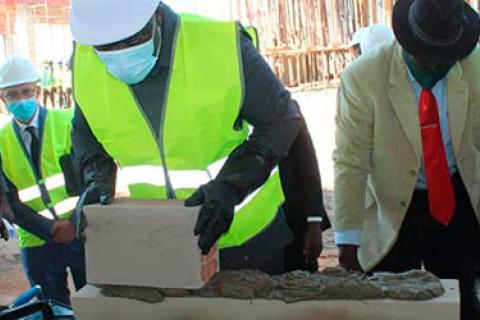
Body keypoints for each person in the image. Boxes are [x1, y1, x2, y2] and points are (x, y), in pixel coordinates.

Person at [69, 0, 327, 274]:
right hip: (167, 242)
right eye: (106, 47)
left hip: (250, 240)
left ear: (155, 16)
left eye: (132, 39)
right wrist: (96, 178)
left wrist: (230, 186)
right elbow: (84, 130)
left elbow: (282, 119)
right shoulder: (85, 61)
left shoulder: (219, 44)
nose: (121, 53)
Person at [334, 0, 480, 318]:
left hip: (456, 193)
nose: (435, 65)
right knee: (393, 305)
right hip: (392, 202)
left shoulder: (474, 67)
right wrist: (347, 238)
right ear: (407, 41)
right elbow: (350, 160)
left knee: (462, 298)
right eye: (428, 56)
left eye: (445, 57)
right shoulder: (362, 78)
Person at [0, 56, 85, 305]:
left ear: (37, 90)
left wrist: (73, 223)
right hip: (35, 240)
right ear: (3, 99)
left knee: (94, 304)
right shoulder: (1, 141)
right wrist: (49, 229)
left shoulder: (68, 123)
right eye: (12, 94)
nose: (21, 99)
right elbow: (7, 200)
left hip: (80, 231)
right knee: (52, 306)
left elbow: (92, 180)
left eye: (26, 91)